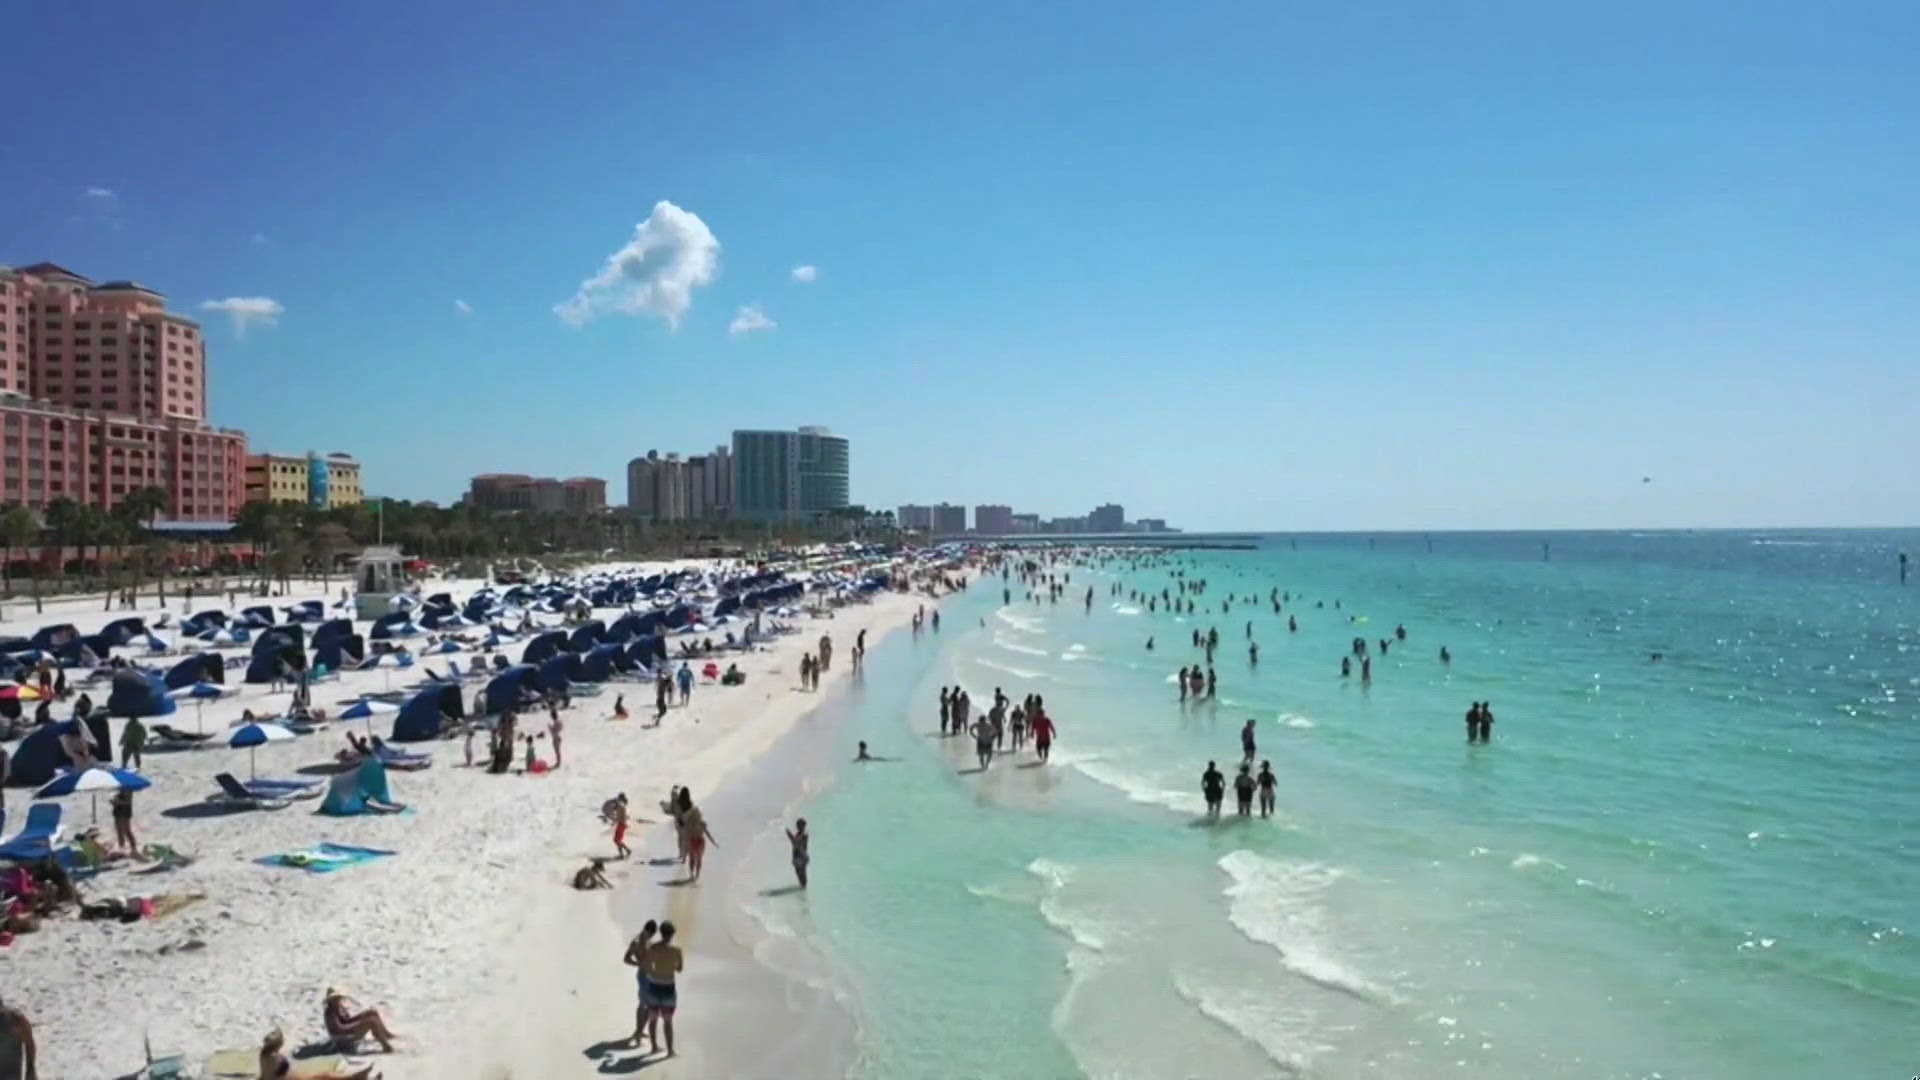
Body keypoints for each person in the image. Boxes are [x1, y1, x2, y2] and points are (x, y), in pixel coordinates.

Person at [628, 920, 684, 1057]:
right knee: (667, 1020)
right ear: (672, 934)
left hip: (654, 985)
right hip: (668, 987)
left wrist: (654, 972)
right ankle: (670, 1051)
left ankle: (653, 1047)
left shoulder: (653, 947)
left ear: (660, 933)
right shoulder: (677, 950)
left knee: (652, 1018)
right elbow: (680, 969)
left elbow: (646, 965)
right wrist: (670, 966)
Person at [260, 1026, 378, 1080]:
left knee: (326, 1075)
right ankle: (358, 1077)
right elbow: (278, 1074)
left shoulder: (265, 1055)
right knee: (326, 1076)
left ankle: (359, 1077)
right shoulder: (273, 1057)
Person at [322, 988, 398, 1053]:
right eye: (335, 999)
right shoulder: (330, 1012)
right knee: (370, 1022)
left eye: (338, 998)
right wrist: (358, 1024)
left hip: (346, 1031)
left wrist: (361, 1018)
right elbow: (339, 1029)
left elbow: (346, 1020)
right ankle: (385, 1046)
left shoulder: (339, 1007)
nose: (337, 1000)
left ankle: (385, 1034)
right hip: (342, 1038)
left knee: (371, 1013)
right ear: (330, 1000)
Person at [676, 789, 717, 882]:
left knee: (692, 858)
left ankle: (692, 875)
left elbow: (683, 829)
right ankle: (696, 875)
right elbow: (707, 833)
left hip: (692, 840)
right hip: (700, 841)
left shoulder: (689, 823)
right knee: (698, 859)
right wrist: (714, 843)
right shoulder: (702, 823)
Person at [110, 788, 138, 856]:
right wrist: (114, 801)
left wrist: (117, 802)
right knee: (119, 831)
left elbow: (127, 801)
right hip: (118, 813)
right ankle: (121, 848)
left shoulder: (128, 789)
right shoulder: (119, 789)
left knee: (126, 830)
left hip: (124, 813)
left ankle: (133, 848)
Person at [786, 818, 810, 889]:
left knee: (801, 876)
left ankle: (803, 891)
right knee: (800, 875)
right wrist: (791, 837)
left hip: (801, 857)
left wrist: (790, 836)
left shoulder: (804, 834)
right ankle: (803, 891)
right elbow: (795, 843)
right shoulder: (799, 834)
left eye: (799, 825)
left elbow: (796, 843)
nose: (797, 827)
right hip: (800, 856)